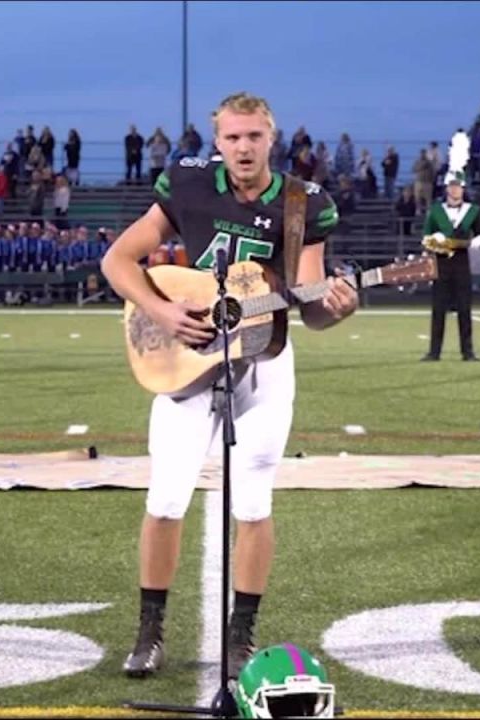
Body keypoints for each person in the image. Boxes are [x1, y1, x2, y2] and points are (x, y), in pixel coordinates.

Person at [100, 92, 353, 680]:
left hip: (262, 360)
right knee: (165, 499)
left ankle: (241, 639)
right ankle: (149, 631)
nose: (244, 147)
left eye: (254, 137)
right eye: (233, 137)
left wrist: (339, 308)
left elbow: (310, 304)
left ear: (273, 139)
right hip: (190, 351)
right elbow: (119, 261)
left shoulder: (302, 203)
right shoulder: (187, 183)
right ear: (217, 142)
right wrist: (161, 313)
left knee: (254, 502)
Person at [420, 132, 480, 362]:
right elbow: (425, 238)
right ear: (446, 187)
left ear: (463, 188)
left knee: (464, 309)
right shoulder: (435, 211)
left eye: (458, 186)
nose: (455, 189)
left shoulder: (473, 210)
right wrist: (434, 240)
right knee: (438, 309)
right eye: (451, 186)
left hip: (461, 263)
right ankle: (434, 352)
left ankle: (467, 352)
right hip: (440, 264)